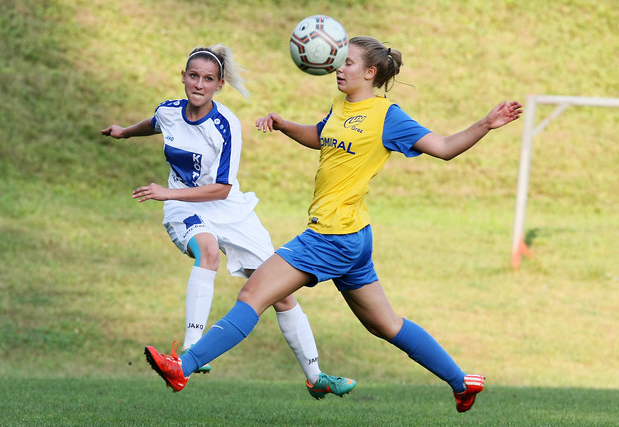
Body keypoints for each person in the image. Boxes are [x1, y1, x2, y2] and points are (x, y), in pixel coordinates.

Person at [143, 36, 522, 412]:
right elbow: (323, 137)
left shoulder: (387, 116)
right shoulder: (341, 104)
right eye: (339, 61)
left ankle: (184, 367)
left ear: (370, 73)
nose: (338, 68)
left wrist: (486, 124)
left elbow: (443, 147)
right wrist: (283, 124)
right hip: (353, 236)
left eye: (347, 63)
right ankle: (461, 382)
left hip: (330, 236)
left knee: (252, 296)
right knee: (385, 325)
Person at [101, 44, 355, 399]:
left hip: (228, 209)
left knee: (279, 292)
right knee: (207, 250)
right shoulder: (169, 111)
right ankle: (191, 350)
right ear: (183, 77)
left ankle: (316, 376)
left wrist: (167, 192)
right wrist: (125, 132)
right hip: (184, 209)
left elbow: (221, 189)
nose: (199, 85)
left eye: (208, 79)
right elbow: (155, 124)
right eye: (193, 76)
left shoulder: (225, 125)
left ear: (220, 84)